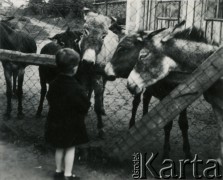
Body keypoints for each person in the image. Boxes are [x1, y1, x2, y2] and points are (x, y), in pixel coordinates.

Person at [45, 48, 90, 180]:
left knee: (59, 147)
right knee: (70, 148)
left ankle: (58, 171)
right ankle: (67, 175)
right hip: (72, 124)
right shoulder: (76, 88)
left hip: (55, 120)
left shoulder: (53, 83)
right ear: (75, 68)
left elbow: (49, 97)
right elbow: (85, 105)